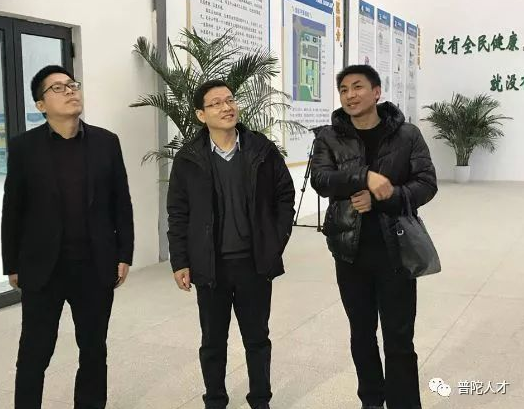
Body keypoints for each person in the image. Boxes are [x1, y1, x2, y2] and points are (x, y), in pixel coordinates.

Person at [1, 65, 134, 409]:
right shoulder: (24, 147)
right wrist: (11, 263)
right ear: (41, 104)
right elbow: (13, 209)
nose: (71, 91)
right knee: (34, 351)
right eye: (58, 88)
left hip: (94, 265)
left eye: (72, 85)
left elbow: (121, 202)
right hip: (43, 267)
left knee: (93, 349)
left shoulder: (106, 142)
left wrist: (124, 253)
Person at [310, 64, 437, 409]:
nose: (350, 95)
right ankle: (371, 400)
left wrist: (386, 197)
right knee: (362, 334)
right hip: (349, 252)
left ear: (377, 92)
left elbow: (426, 183)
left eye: (358, 87)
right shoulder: (329, 137)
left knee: (399, 338)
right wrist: (363, 177)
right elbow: (321, 180)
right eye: (344, 90)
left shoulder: (407, 135)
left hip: (396, 249)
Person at [167, 79, 295, 409]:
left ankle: (260, 400)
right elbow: (178, 213)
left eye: (230, 100)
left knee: (257, 339)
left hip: (254, 263)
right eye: (216, 103)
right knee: (213, 341)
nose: (227, 107)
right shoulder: (189, 159)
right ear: (201, 114)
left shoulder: (261, 149)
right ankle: (215, 400)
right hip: (211, 266)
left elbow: (285, 195)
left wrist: (275, 242)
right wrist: (180, 260)